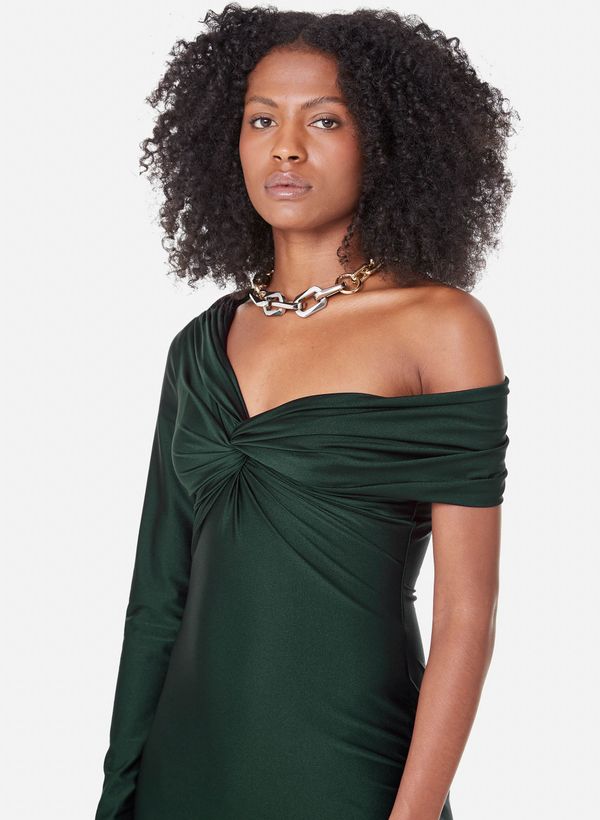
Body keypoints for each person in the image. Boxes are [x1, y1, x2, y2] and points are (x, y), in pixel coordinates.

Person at [95, 5, 517, 819]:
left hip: (350, 770)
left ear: (385, 143)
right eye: (262, 120)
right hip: (183, 768)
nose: (286, 148)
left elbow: (468, 614)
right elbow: (156, 599)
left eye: (325, 120)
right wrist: (120, 792)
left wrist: (412, 815)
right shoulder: (200, 346)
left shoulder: (442, 327)